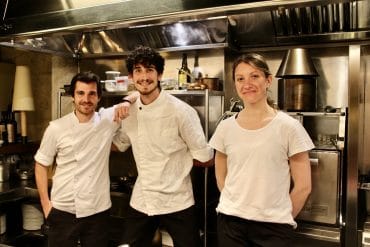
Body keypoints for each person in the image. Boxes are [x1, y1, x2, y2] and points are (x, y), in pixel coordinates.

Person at [112, 45, 213, 247]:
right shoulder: (128, 111)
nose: (144, 77)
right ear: (131, 77)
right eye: (138, 71)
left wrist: (177, 166)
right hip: (143, 197)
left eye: (149, 70)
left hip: (177, 200)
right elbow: (119, 144)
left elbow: (204, 157)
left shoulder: (181, 111)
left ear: (159, 74)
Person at [209, 53, 314, 247]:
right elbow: (221, 174)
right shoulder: (226, 127)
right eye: (240, 78)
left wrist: (283, 217)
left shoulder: (288, 127)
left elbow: (304, 185)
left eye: (254, 76)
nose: (247, 83)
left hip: (273, 227)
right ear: (235, 84)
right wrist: (234, 202)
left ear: (268, 80)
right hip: (231, 223)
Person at [34, 71, 131, 247]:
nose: (86, 99)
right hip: (63, 209)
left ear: (99, 97)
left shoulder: (107, 119)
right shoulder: (56, 128)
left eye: (91, 93)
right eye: (80, 93)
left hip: (98, 211)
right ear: (72, 96)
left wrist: (126, 101)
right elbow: (41, 165)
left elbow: (139, 94)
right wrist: (46, 204)